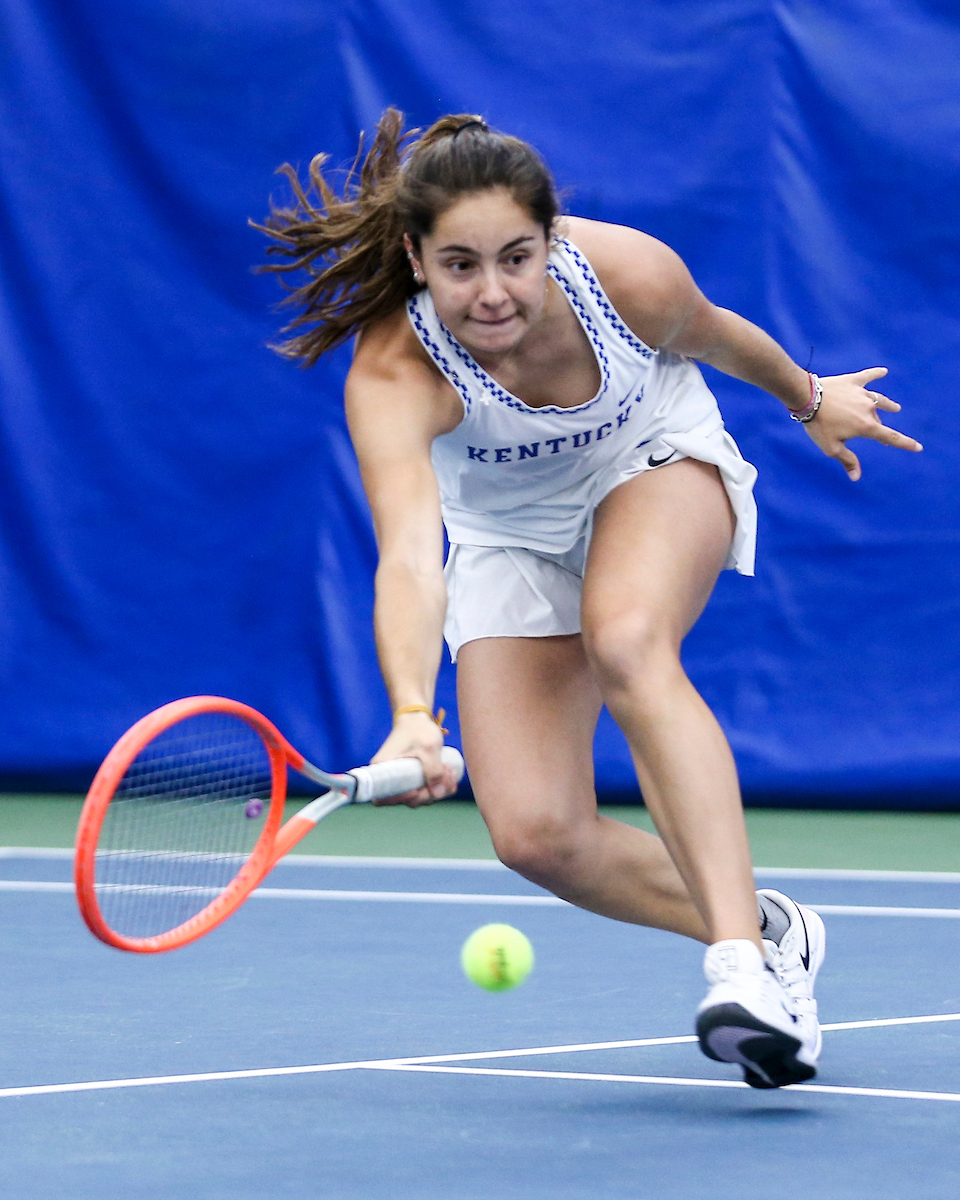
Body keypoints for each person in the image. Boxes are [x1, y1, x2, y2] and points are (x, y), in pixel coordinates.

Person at [257, 110, 922, 1088]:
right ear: (416, 257)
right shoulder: (396, 369)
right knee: (536, 833)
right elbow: (408, 552)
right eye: (461, 266)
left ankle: (740, 972)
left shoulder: (629, 276)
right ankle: (772, 928)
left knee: (626, 638)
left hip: (652, 460)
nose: (492, 293)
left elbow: (726, 339)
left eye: (517, 258)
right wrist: (409, 712)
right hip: (510, 537)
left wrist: (811, 399)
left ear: (553, 237)